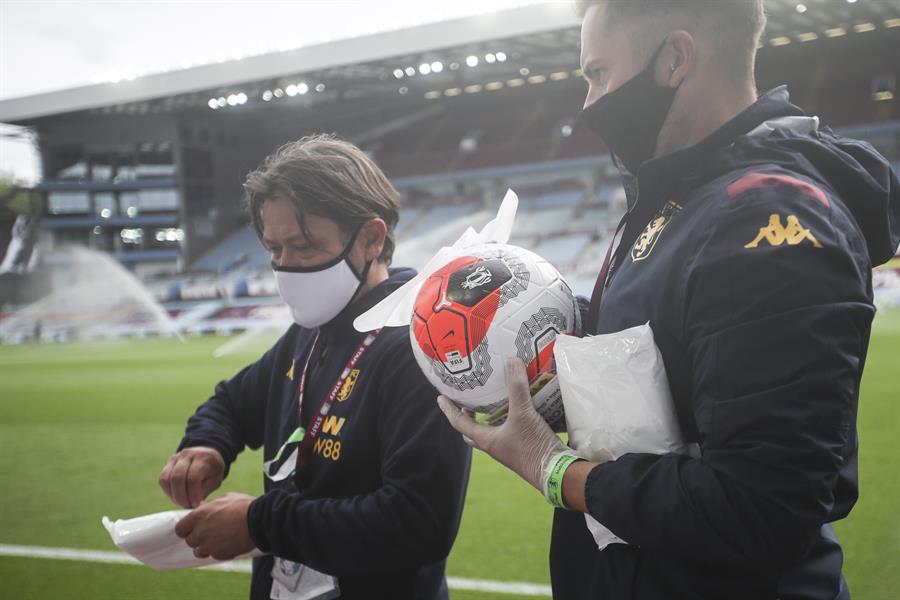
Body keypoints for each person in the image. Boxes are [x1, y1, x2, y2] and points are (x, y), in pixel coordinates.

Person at [437, 1, 900, 599]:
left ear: (674, 59)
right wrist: (518, 323)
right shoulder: (679, 199)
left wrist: (553, 468)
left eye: (598, 74)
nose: (588, 103)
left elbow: (761, 511)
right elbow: (663, 349)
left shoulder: (766, 219)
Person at [159, 134, 471, 600]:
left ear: (370, 238)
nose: (286, 269)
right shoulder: (308, 333)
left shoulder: (417, 346)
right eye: (274, 251)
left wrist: (257, 524)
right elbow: (231, 402)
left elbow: (417, 521)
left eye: (303, 248)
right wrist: (207, 445)